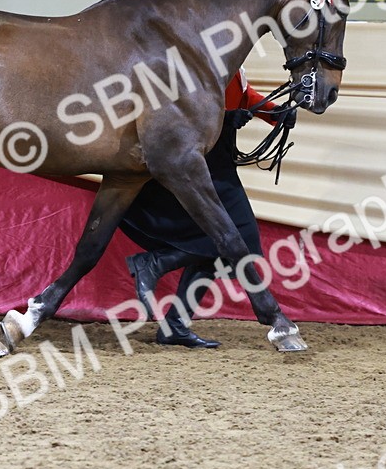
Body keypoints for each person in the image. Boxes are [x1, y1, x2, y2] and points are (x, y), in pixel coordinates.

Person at [120, 68, 296, 347]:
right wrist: (226, 119)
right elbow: (186, 105)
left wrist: (274, 113)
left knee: (220, 249)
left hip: (218, 158)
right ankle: (157, 268)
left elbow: (243, 94)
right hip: (200, 159)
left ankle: (173, 320)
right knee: (239, 238)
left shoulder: (231, 58)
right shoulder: (199, 52)